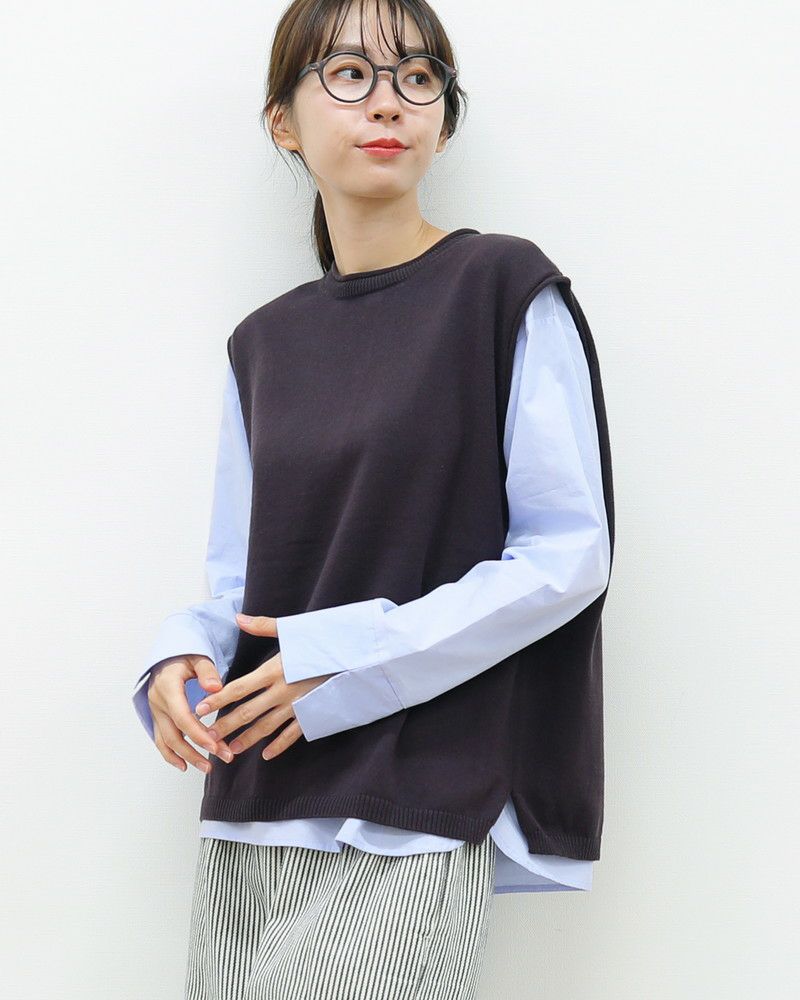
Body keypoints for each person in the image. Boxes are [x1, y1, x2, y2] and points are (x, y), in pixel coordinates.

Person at [132, 2, 615, 997]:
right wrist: (181, 653)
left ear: (443, 116)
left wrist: (344, 656)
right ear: (283, 121)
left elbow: (566, 557)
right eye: (349, 74)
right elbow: (245, 580)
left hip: (415, 801)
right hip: (258, 800)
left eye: (417, 77)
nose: (388, 102)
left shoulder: (500, 286)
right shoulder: (263, 343)